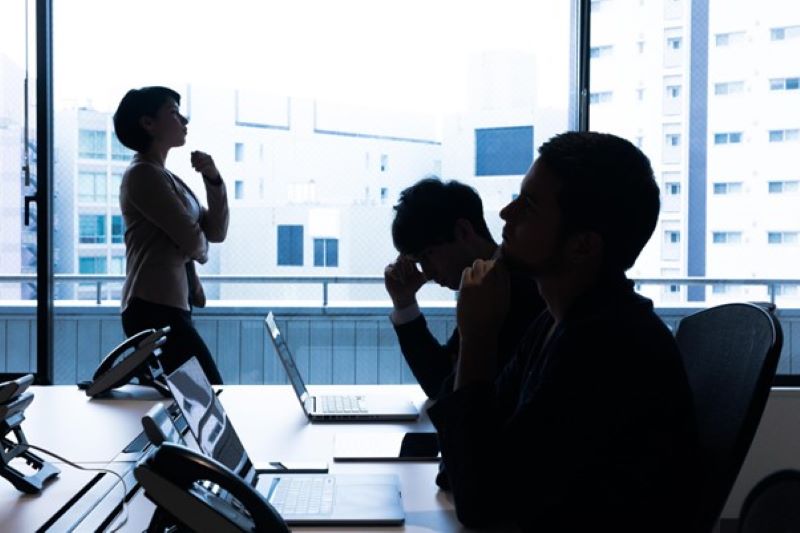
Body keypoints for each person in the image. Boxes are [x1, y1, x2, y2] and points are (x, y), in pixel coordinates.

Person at [428, 132, 701, 531]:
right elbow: (460, 469)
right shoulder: (555, 323)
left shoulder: (607, 349)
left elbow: (481, 503)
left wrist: (478, 337)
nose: (506, 213)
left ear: (582, 246)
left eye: (529, 206)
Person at [384, 177, 545, 400]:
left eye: (427, 256)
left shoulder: (509, 289)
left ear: (463, 231)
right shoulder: (489, 282)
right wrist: (404, 302)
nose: (427, 273)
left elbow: (448, 393)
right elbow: (443, 382)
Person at [113, 86, 229, 384]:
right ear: (148, 123)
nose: (184, 120)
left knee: (193, 398)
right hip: (152, 308)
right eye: (174, 113)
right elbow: (194, 242)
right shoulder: (142, 175)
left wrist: (213, 179)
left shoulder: (167, 178)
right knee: (208, 391)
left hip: (169, 306)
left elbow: (215, 231)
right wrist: (195, 247)